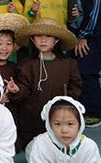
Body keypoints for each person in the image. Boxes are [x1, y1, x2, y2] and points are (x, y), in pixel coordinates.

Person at [10, 18, 82, 151]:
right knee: (34, 151)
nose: (43, 40)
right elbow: (23, 88)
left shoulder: (68, 64)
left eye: (48, 36)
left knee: (57, 149)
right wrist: (16, 90)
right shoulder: (26, 65)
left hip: (59, 118)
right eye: (38, 36)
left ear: (56, 40)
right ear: (32, 39)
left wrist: (66, 102)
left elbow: (75, 86)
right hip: (32, 119)